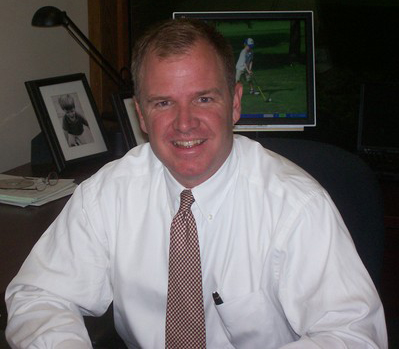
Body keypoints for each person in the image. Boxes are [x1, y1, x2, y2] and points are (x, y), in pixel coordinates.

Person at [6, 19, 387, 348]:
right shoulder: (109, 193)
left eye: (204, 98)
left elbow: (354, 335)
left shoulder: (296, 205)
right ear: (140, 113)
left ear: (235, 103)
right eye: (163, 103)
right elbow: (39, 294)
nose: (184, 123)